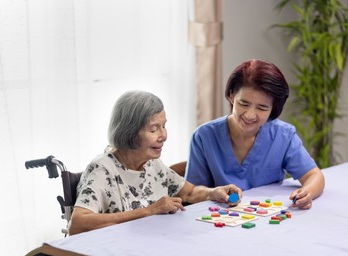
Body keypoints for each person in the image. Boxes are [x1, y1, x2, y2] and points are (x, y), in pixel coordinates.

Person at [68, 90, 242, 235]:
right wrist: (148, 211)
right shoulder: (103, 169)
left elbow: (189, 192)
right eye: (153, 129)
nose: (163, 136)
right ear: (129, 132)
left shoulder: (152, 164)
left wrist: (214, 192)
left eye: (163, 126)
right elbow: (77, 223)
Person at [185, 59, 325, 210]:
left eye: (262, 108)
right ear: (231, 96)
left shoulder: (283, 135)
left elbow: (314, 175)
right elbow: (190, 192)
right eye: (243, 104)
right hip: (221, 219)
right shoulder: (204, 136)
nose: (250, 115)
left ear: (273, 108)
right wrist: (211, 193)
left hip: (268, 217)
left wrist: (307, 192)